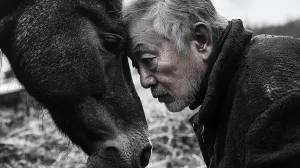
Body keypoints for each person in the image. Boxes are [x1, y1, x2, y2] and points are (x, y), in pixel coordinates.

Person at [123, 0, 300, 167]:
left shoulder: (270, 103)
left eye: (148, 60)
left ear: (201, 40)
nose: (144, 81)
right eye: (137, 67)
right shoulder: (230, 91)